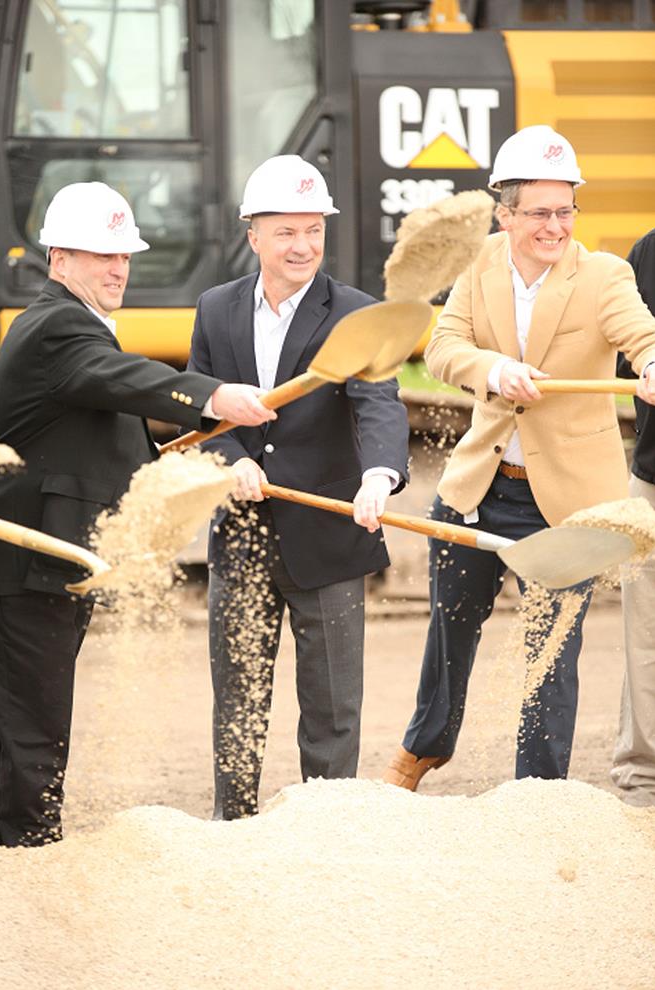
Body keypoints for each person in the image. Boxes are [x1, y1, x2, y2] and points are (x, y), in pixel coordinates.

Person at [0, 181, 276, 847]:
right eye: (102, 256)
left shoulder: (68, 326)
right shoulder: (61, 325)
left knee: (20, 714)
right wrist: (214, 396)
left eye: (124, 256)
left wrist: (205, 469)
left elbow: (104, 425)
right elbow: (123, 378)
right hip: (35, 560)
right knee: (31, 719)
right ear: (59, 259)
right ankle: (28, 852)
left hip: (50, 560)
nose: (119, 268)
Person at [382, 125, 655, 792]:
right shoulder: (479, 268)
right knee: (450, 629)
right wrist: (495, 369)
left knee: (552, 650)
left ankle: (539, 791)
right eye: (539, 212)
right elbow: (443, 347)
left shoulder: (603, 275)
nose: (555, 226)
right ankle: (423, 749)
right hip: (480, 484)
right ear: (504, 214)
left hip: (567, 501)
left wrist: (652, 362)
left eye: (565, 211)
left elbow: (639, 332)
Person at [187, 154, 409, 820]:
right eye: (286, 231)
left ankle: (327, 831)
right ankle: (234, 828)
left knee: (333, 708)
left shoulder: (355, 315)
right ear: (252, 233)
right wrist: (229, 460)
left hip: (332, 536)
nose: (303, 246)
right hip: (243, 536)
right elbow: (200, 409)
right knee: (238, 701)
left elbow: (379, 403)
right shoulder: (216, 309)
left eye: (314, 230)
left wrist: (379, 474)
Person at [611, 228, 655, 806]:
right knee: (645, 633)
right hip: (653, 481)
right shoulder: (648, 253)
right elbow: (626, 351)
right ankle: (643, 775)